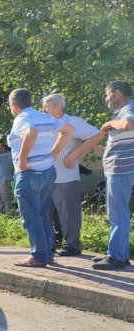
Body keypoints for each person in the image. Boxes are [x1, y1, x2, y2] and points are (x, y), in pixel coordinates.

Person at [64, 80, 133, 270]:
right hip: (119, 169)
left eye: (107, 94)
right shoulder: (125, 109)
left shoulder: (128, 109)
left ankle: (116, 257)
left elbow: (128, 124)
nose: (106, 98)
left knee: (118, 213)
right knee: (117, 213)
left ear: (117, 93)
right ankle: (119, 253)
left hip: (121, 169)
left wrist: (109, 123)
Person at [7, 88, 73, 268]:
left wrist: (22, 159)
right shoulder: (45, 117)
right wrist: (55, 152)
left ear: (14, 105)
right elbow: (68, 130)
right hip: (47, 171)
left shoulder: (22, 119)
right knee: (43, 214)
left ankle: (38, 256)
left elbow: (31, 133)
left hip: (29, 174)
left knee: (31, 216)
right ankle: (48, 253)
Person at [41, 93, 105, 257]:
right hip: (45, 176)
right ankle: (49, 243)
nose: (43, 109)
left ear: (58, 106)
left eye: (46, 106)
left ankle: (72, 245)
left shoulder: (73, 121)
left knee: (68, 213)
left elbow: (97, 135)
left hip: (65, 175)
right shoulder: (45, 123)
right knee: (45, 213)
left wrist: (75, 154)